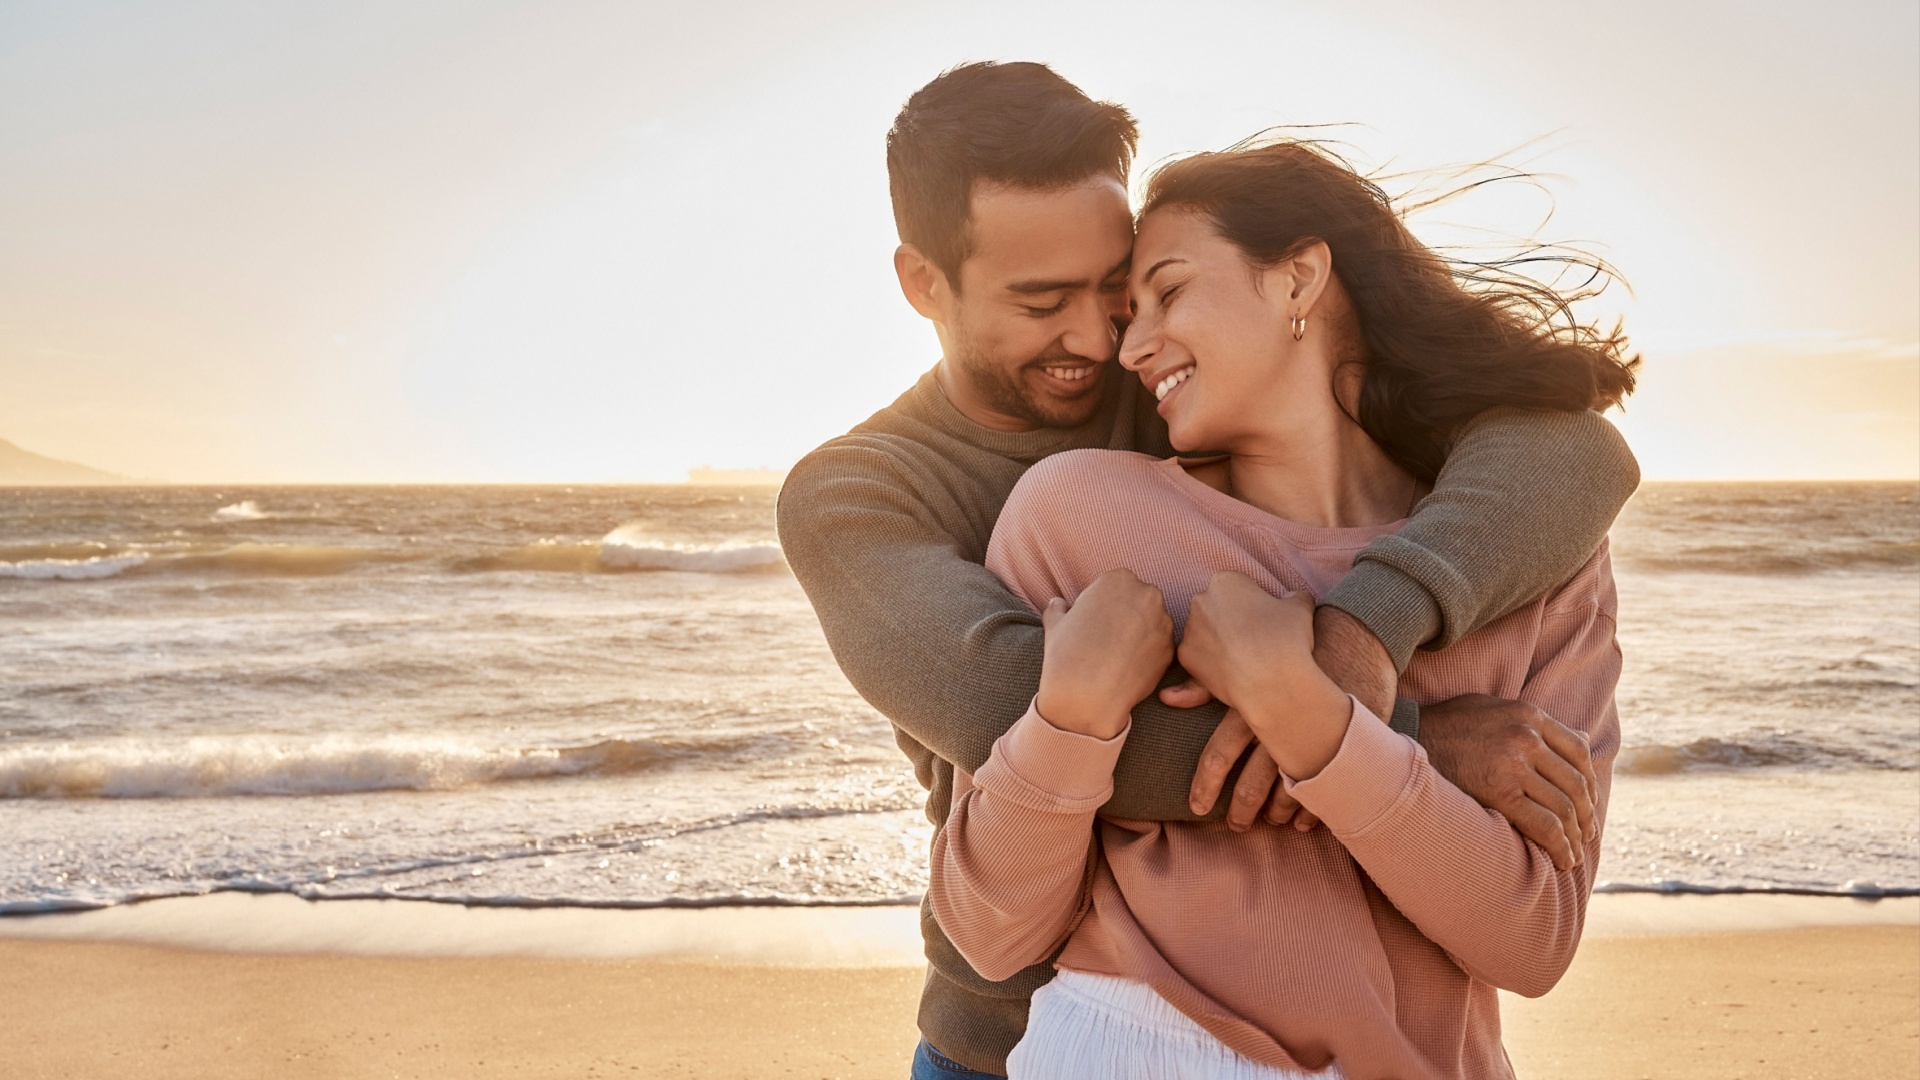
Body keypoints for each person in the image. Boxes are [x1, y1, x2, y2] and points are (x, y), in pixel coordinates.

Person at [776, 61, 1637, 1080]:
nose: (1102, 339)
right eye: (1043, 300)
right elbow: (1009, 706)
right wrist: (1409, 741)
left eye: (1119, 288)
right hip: (1006, 1033)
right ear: (925, 284)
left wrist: (1362, 630)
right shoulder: (861, 494)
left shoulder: (1190, 389)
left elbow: (1568, 452)